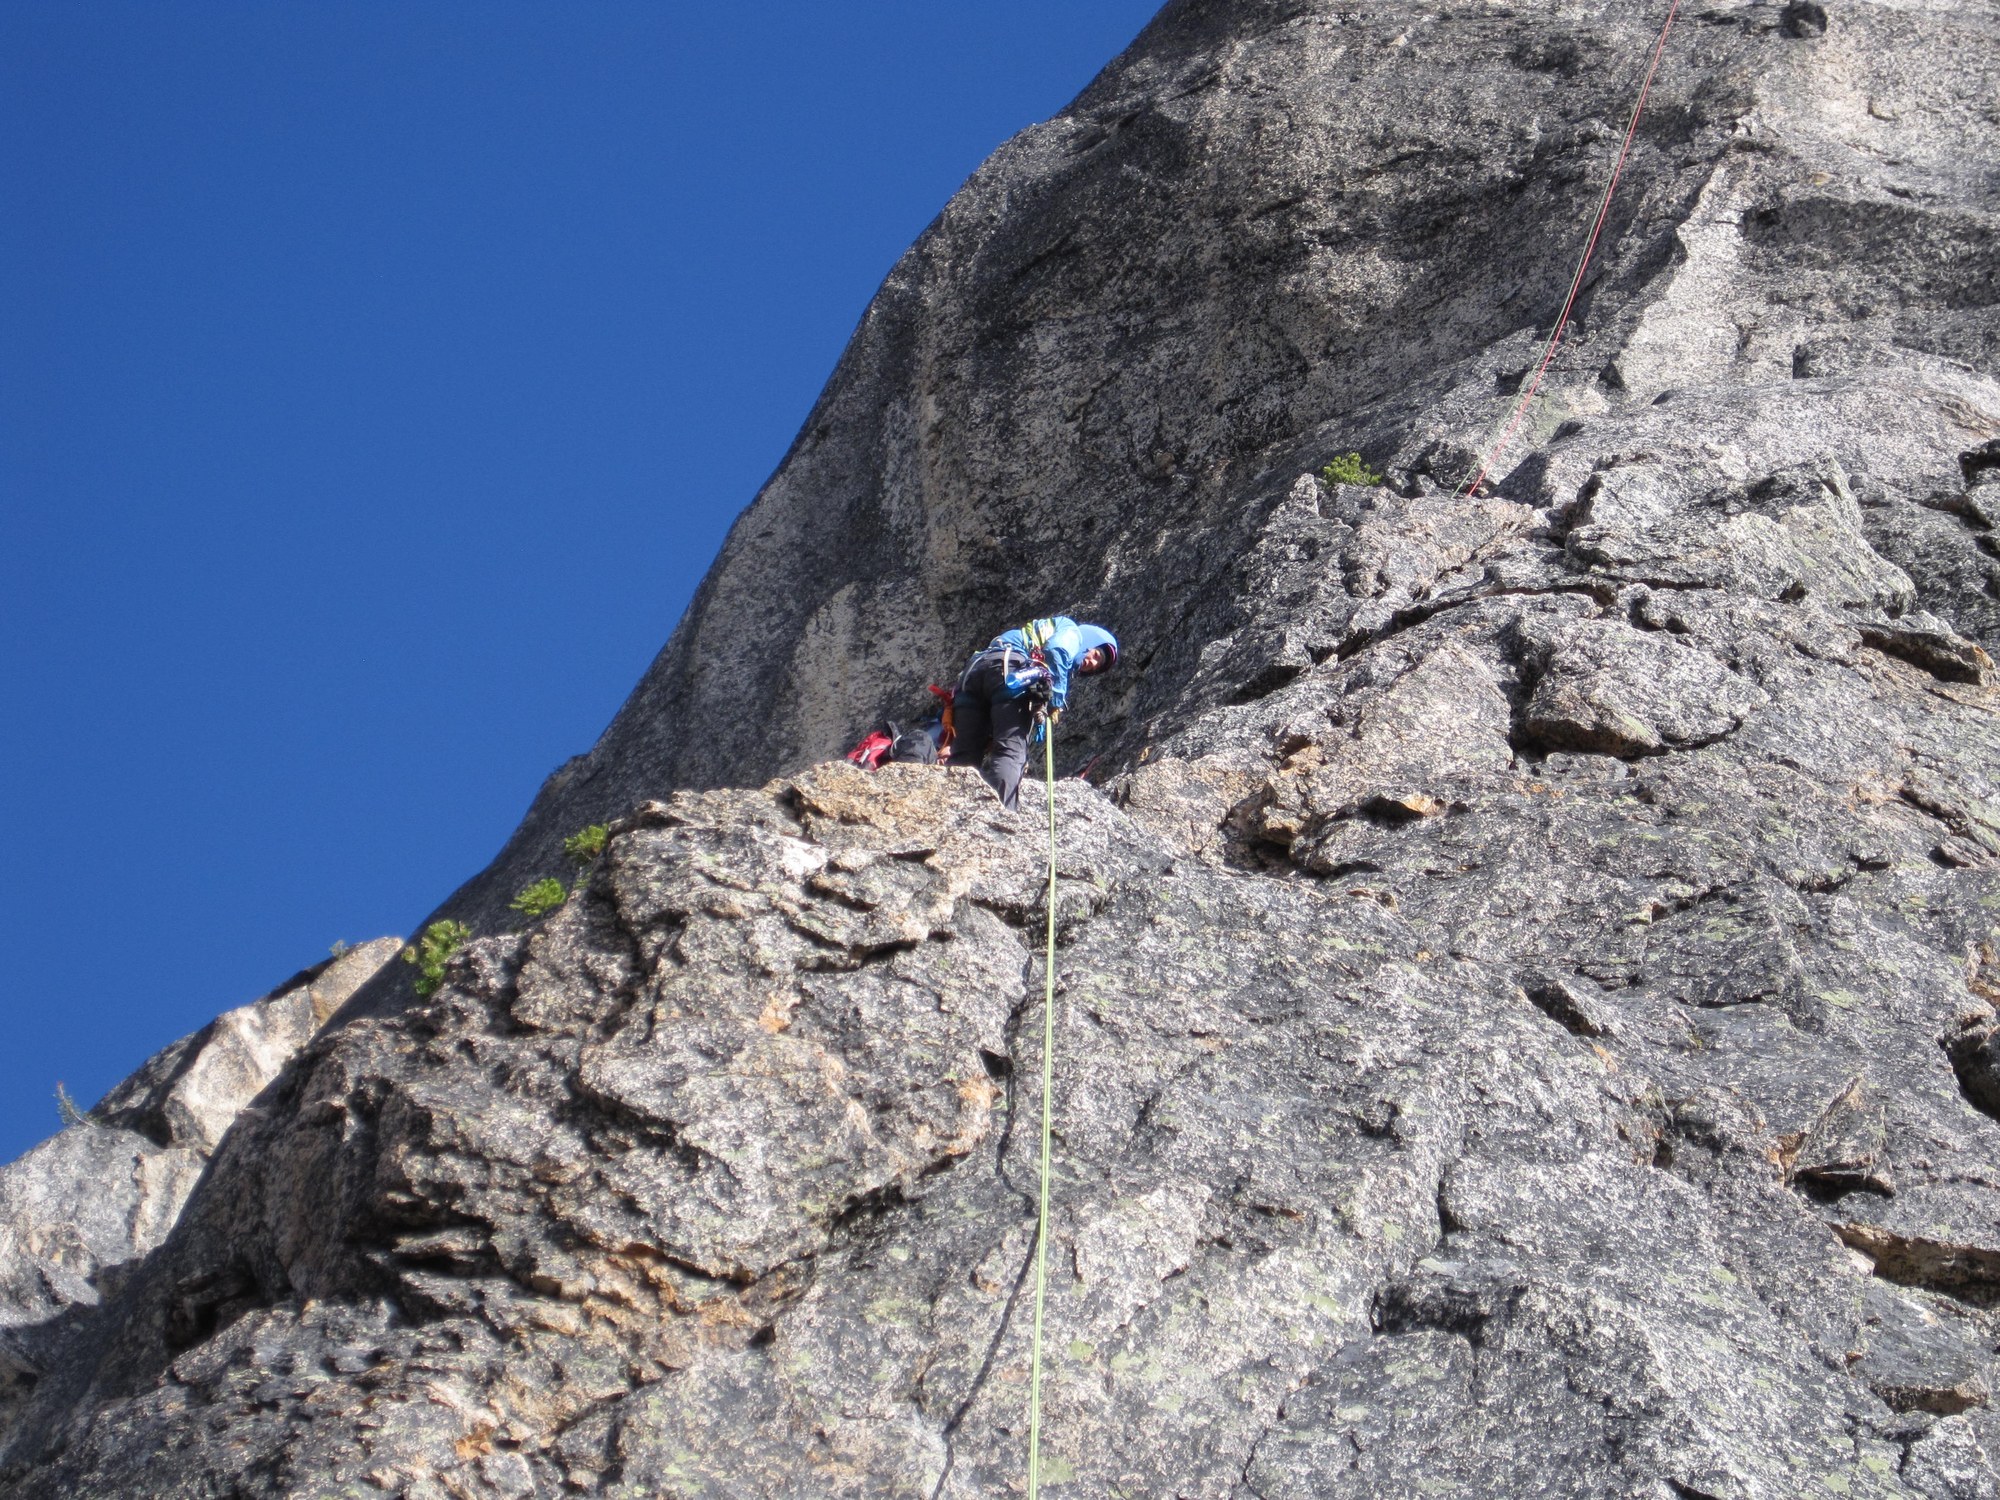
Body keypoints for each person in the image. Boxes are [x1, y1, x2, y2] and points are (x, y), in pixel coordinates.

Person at [952, 616, 1119, 809]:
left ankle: (956, 810)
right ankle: (1001, 815)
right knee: (1011, 751)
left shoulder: (1036, 634)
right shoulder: (1072, 631)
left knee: (964, 754)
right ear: (1089, 643)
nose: (1092, 663)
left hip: (973, 673)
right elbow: (1058, 649)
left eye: (1096, 667)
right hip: (1009, 670)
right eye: (1096, 655)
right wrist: (1055, 698)